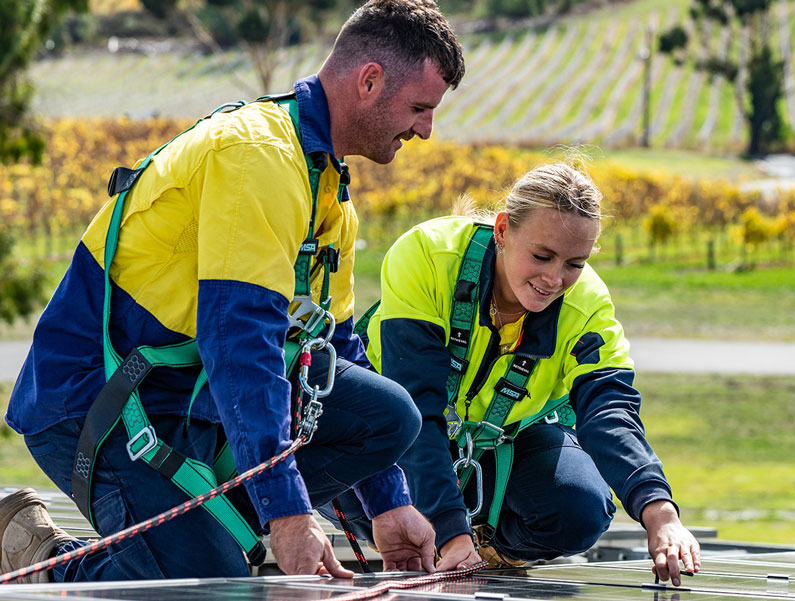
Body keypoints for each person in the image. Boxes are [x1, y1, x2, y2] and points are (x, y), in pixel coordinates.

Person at [1, 0, 465, 583]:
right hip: (96, 404)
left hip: (191, 400)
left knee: (388, 415)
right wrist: (288, 514)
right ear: (369, 81)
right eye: (420, 108)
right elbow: (240, 346)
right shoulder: (259, 158)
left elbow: (333, 354)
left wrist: (389, 504)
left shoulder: (328, 191)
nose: (426, 129)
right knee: (207, 583)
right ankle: (40, 558)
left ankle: (202, 533)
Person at [357, 162, 701, 586]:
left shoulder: (587, 304)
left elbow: (610, 412)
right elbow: (418, 406)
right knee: (365, 490)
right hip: (394, 433)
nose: (554, 279)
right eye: (541, 256)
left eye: (575, 263)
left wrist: (661, 514)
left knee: (580, 508)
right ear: (502, 230)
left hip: (501, 445)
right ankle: (447, 541)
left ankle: (487, 555)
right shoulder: (427, 256)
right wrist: (449, 530)